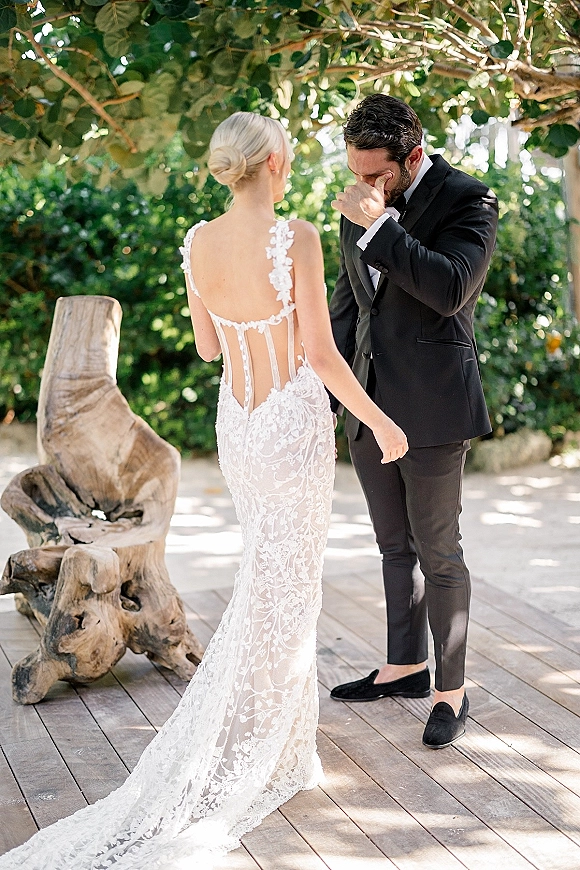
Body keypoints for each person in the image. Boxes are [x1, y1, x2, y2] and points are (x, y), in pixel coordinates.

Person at [0, 112, 407, 869]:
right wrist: (381, 422)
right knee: (287, 583)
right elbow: (318, 353)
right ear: (276, 161)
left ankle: (272, 737)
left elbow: (208, 345)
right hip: (287, 422)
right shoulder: (300, 239)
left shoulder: (196, 242)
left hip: (241, 426)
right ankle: (272, 749)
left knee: (267, 576)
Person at [328, 94, 498, 749]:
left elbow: (453, 287)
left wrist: (381, 227)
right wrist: (329, 399)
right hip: (366, 404)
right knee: (393, 547)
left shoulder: (467, 199)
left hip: (432, 406)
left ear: (414, 155)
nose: (366, 184)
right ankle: (403, 666)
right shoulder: (359, 201)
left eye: (380, 174)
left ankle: (450, 690)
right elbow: (347, 308)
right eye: (357, 171)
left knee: (439, 551)